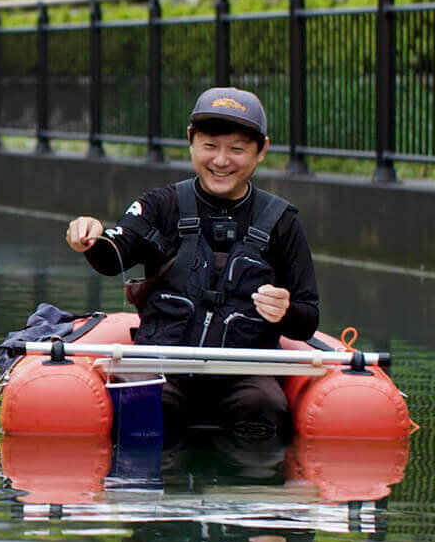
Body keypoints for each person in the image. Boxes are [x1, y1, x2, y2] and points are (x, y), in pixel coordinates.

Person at [64, 86, 319, 443]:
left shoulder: (283, 222)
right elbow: (112, 256)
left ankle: (246, 490)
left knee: (263, 408)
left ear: (261, 150)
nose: (221, 161)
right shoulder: (159, 204)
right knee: (149, 411)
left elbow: (308, 316)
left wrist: (285, 311)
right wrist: (90, 237)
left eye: (237, 149)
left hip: (244, 374)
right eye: (210, 146)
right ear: (191, 142)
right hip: (162, 366)